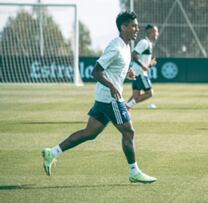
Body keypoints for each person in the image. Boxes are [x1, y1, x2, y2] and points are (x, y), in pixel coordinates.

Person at [41, 11, 157, 183]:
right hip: (111, 98)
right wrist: (111, 85)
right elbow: (96, 71)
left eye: (137, 26)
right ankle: (134, 172)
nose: (136, 29)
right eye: (133, 26)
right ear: (123, 27)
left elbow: (114, 69)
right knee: (129, 131)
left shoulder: (126, 46)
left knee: (90, 132)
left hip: (104, 98)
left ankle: (52, 152)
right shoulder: (116, 46)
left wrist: (127, 74)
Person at [126, 24, 159, 110]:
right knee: (149, 93)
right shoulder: (144, 42)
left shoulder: (149, 43)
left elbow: (143, 61)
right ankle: (127, 106)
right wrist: (142, 65)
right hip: (140, 73)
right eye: (156, 31)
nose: (157, 33)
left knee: (135, 95)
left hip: (137, 73)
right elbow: (133, 54)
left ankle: (123, 112)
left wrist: (150, 64)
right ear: (150, 32)